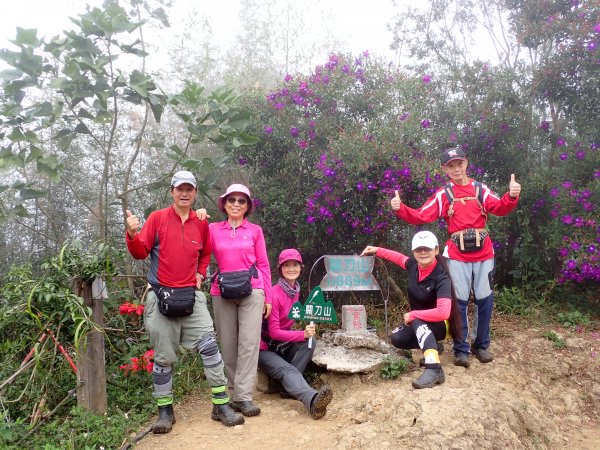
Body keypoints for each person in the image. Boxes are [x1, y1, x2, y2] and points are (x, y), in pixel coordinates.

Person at [125, 170, 244, 432]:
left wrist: (201, 274)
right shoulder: (157, 219)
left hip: (191, 296)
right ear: (172, 191)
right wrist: (132, 235)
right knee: (163, 358)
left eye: (189, 189)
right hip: (160, 296)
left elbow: (205, 253)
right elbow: (140, 252)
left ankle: (221, 404)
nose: (184, 193)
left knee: (210, 348)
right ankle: (165, 412)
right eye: (180, 188)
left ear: (195, 193)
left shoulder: (200, 222)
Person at [391, 147, 521, 368]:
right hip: (457, 255)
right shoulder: (445, 195)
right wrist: (400, 209)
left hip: (484, 253)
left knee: (484, 300)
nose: (457, 168)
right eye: (451, 165)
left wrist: (511, 196)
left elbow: (499, 208)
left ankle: (481, 345)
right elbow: (423, 214)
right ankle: (461, 349)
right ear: (445, 169)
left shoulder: (481, 189)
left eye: (459, 163)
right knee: (458, 302)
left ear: (466, 163)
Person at [361, 231, 461, 388]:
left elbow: (443, 312)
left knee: (417, 319)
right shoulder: (413, 266)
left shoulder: (441, 277)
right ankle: (433, 345)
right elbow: (397, 257)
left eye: (427, 248)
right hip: (421, 324)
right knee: (397, 337)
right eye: (418, 249)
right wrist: (376, 250)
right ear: (414, 252)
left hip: (442, 325)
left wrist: (414, 314)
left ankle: (434, 369)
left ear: (436, 250)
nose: (423, 252)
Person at [209, 184, 272, 417]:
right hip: (221, 290)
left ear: (248, 206)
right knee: (227, 345)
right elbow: (201, 254)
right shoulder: (212, 229)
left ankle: (244, 397)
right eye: (231, 200)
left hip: (252, 291)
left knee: (249, 343)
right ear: (224, 203)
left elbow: (264, 264)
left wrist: (268, 297)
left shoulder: (255, 231)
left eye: (241, 201)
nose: (236, 204)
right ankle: (232, 393)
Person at [258, 248, 333, 418]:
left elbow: (289, 326)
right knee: (288, 370)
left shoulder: (295, 290)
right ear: (280, 269)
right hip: (265, 348)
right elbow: (275, 332)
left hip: (282, 345)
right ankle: (313, 400)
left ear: (301, 267)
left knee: (310, 342)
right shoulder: (274, 293)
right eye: (287, 265)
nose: (291, 269)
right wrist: (301, 334)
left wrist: (305, 334)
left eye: (295, 265)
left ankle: (287, 388)